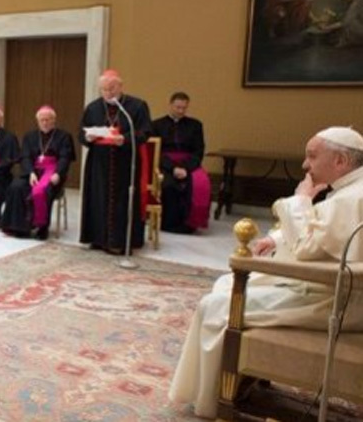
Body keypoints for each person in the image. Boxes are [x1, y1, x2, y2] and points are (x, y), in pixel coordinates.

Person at [169, 127, 363, 418]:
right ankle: (239, 380)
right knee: (226, 284)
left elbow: (308, 247)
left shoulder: (350, 199)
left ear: (340, 161)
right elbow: (323, 236)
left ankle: (214, 399)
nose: (305, 165)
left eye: (312, 156)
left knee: (216, 305)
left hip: (331, 299)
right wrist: (277, 238)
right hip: (330, 287)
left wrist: (301, 199)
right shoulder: (351, 190)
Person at [79, 69, 152, 254]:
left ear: (120, 86)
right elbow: (81, 133)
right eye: (104, 89)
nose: (108, 93)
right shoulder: (93, 107)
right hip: (99, 164)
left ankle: (120, 242)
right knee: (98, 199)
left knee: (122, 202)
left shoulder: (136, 106)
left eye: (111, 88)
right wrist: (88, 137)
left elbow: (145, 132)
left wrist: (125, 139)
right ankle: (98, 239)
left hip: (125, 163)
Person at [0, 105, 75, 239]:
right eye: (42, 120)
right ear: (38, 121)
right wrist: (30, 172)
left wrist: (58, 173)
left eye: (48, 119)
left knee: (45, 190)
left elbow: (65, 158)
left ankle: (42, 227)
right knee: (16, 187)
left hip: (52, 174)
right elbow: (25, 157)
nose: (45, 123)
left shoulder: (64, 136)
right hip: (33, 172)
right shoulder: (30, 136)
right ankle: (19, 227)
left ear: (54, 120)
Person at [151, 92, 211, 234]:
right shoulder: (156, 125)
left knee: (200, 184)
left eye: (184, 108)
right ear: (170, 105)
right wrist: (172, 168)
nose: (181, 111)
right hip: (165, 164)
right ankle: (169, 224)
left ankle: (190, 224)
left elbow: (199, 150)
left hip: (189, 163)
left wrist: (185, 168)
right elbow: (156, 151)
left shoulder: (195, 125)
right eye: (178, 107)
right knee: (169, 185)